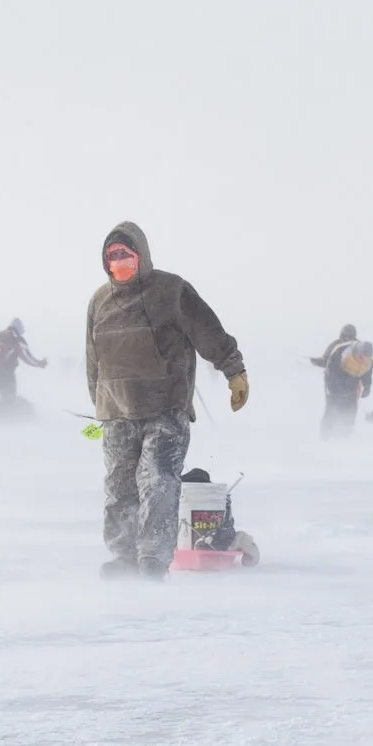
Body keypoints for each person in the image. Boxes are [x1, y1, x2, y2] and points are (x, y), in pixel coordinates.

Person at [86, 222, 248, 577]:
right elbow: (93, 358)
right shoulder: (99, 301)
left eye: (125, 254)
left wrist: (233, 370)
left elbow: (207, 330)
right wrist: (98, 403)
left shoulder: (170, 291)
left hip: (164, 408)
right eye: (112, 256)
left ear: (140, 256)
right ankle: (124, 556)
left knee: (158, 479)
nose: (119, 261)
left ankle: (153, 559)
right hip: (115, 411)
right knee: (119, 488)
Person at [309, 323, 373, 438]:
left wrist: (367, 385)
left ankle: (344, 435)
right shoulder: (340, 350)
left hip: (353, 382)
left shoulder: (367, 357)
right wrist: (340, 387)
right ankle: (325, 437)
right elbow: (329, 368)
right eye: (345, 336)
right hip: (334, 380)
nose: (363, 359)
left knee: (350, 409)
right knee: (333, 406)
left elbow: (367, 373)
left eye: (366, 358)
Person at [0, 318, 48, 406]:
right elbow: (27, 357)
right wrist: (40, 363)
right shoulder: (17, 340)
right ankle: (8, 417)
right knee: (9, 401)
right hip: (7, 374)